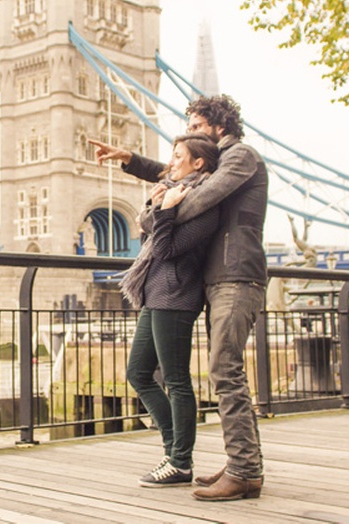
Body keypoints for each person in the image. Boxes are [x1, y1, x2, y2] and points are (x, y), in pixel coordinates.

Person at [89, 94, 268, 501]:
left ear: (219, 126)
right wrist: (133, 161)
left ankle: (240, 469)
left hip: (236, 274)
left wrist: (156, 211)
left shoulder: (240, 156)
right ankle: (244, 464)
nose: (188, 133)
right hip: (215, 277)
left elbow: (197, 195)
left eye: (196, 126)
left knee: (224, 371)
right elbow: (181, 172)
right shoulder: (214, 159)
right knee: (218, 371)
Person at [122, 133, 219, 488]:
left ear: (198, 163)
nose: (171, 162)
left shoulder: (205, 203)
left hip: (176, 296)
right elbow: (149, 238)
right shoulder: (171, 195)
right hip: (155, 294)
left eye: (179, 156)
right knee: (138, 373)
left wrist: (161, 213)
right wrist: (156, 209)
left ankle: (180, 461)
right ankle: (172, 449)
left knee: (176, 380)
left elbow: (165, 250)